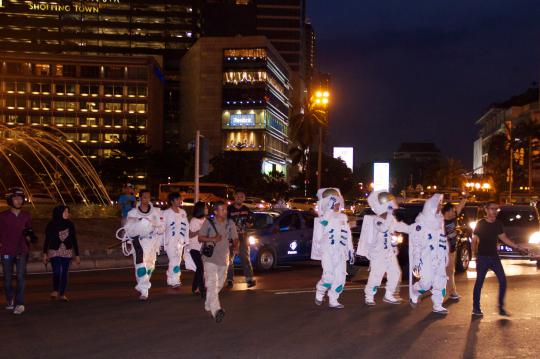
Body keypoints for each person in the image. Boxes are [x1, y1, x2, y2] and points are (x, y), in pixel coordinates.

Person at [471, 201, 526, 317]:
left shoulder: (498, 224)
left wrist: (517, 247)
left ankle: (501, 307)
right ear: (486, 209)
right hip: (483, 257)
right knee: (479, 283)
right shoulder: (480, 223)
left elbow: (504, 238)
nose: (495, 211)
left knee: (503, 281)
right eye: (492, 209)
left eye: (496, 209)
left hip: (494, 257)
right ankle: (476, 308)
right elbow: (474, 240)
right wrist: (474, 255)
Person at [357, 190, 408, 306]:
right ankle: (369, 296)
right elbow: (383, 228)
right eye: (390, 208)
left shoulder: (391, 218)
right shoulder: (377, 220)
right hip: (378, 254)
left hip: (389, 253)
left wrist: (413, 229)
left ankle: (389, 294)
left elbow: (398, 227)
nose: (392, 210)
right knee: (376, 276)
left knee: (395, 273)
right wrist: (389, 215)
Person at [311, 188, 354, 309]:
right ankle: (320, 291)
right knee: (329, 277)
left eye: (338, 203)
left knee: (340, 279)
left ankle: (333, 299)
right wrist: (328, 214)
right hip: (327, 252)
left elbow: (348, 234)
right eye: (334, 203)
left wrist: (351, 250)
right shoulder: (323, 219)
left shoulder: (343, 217)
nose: (337, 206)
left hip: (340, 252)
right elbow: (319, 237)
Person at [408, 194, 449, 315]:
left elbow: (443, 239)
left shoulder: (440, 220)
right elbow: (416, 245)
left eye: (441, 205)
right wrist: (416, 262)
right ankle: (415, 291)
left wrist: (445, 254)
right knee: (426, 283)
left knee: (440, 281)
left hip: (439, 257)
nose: (440, 207)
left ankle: (438, 304)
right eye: (438, 204)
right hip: (426, 258)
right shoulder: (421, 223)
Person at [199, 201, 238, 323]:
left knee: (219, 284)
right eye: (222, 210)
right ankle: (216, 311)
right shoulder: (209, 222)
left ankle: (208, 303)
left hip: (224, 258)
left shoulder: (230, 223)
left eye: (226, 209)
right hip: (209, 258)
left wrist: (236, 246)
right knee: (212, 283)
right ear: (215, 212)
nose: (225, 212)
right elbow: (200, 238)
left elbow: (235, 238)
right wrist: (213, 239)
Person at [122, 189, 164, 300]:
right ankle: (144, 290)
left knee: (150, 267)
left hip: (152, 243)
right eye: (144, 197)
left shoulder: (155, 212)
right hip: (138, 242)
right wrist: (139, 224)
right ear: (140, 198)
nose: (146, 199)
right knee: (140, 266)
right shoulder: (133, 213)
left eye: (148, 197)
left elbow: (162, 228)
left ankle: (143, 285)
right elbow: (128, 229)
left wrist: (154, 226)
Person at [0, 187, 34, 315]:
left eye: (20, 198)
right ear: (10, 200)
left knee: (20, 277)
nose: (19, 200)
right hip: (7, 250)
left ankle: (20, 303)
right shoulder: (2, 216)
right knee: (7, 279)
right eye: (15, 198)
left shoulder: (26, 215)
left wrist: (29, 237)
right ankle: (10, 300)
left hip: (22, 250)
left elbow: (29, 229)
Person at [43, 205, 80, 301]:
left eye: (68, 211)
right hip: (54, 250)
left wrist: (77, 255)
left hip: (67, 250)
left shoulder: (70, 224)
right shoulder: (51, 224)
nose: (68, 213)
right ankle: (55, 290)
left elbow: (74, 239)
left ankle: (62, 293)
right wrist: (44, 253)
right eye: (65, 212)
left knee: (64, 272)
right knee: (57, 271)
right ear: (59, 213)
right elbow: (47, 239)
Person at [226, 189, 256, 288]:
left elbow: (251, 223)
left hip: (243, 237)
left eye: (241, 196)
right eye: (238, 196)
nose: (239, 198)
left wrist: (249, 224)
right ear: (234, 197)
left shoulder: (247, 210)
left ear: (244, 198)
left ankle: (249, 280)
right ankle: (229, 279)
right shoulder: (228, 210)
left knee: (245, 258)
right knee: (228, 259)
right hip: (230, 237)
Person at [441, 195, 468, 300]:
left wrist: (465, 197)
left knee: (450, 271)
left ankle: (451, 291)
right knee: (445, 271)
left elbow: (460, 207)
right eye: (453, 210)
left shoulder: (453, 218)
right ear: (447, 211)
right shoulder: (440, 222)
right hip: (443, 250)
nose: (455, 212)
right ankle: (445, 293)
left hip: (452, 249)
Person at [161, 192, 189, 288]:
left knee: (177, 259)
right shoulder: (166, 213)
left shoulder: (183, 212)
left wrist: (186, 239)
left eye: (180, 199)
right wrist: (161, 242)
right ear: (172, 201)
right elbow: (162, 227)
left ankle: (170, 278)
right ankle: (175, 279)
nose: (179, 201)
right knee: (174, 260)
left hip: (180, 241)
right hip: (170, 241)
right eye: (177, 199)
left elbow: (186, 226)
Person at [188, 201, 207, 297]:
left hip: (202, 248)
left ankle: (195, 287)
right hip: (194, 247)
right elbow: (190, 235)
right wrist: (199, 231)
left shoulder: (205, 220)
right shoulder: (194, 220)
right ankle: (202, 289)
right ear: (201, 209)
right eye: (205, 208)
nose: (207, 209)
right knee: (200, 268)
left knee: (199, 268)